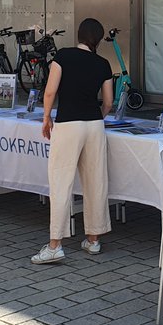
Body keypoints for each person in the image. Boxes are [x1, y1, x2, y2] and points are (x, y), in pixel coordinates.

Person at [32, 18, 114, 264]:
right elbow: (108, 101)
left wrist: (46, 117)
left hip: (68, 124)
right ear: (98, 39)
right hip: (94, 125)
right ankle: (93, 239)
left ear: (79, 35)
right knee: (96, 181)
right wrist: (96, 118)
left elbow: (50, 91)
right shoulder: (103, 63)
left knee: (60, 182)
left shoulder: (63, 56)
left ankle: (55, 244)